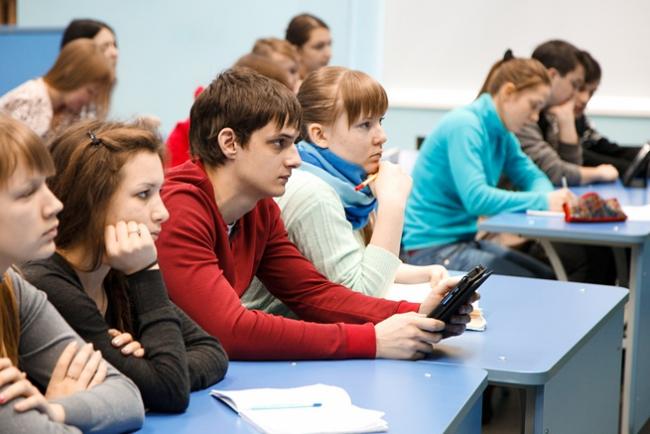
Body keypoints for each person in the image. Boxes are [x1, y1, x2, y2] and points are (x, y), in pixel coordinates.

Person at [156, 68, 473, 361]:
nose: (294, 159)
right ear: (230, 143)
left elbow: (313, 293)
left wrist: (416, 312)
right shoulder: (179, 209)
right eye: (279, 144)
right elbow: (229, 330)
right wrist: (372, 340)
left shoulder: (259, 207)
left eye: (293, 143)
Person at [22, 120, 228, 413]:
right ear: (93, 200)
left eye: (160, 192)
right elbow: (170, 390)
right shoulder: (48, 284)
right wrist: (146, 275)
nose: (163, 212)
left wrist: (151, 369)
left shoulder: (116, 270)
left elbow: (211, 350)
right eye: (144, 194)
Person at [243, 66, 448, 317]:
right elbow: (362, 299)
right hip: (266, 338)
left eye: (380, 121)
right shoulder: (313, 192)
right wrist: (393, 205)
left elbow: (354, 265)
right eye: (365, 125)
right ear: (319, 134)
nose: (381, 136)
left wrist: (424, 273)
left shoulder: (343, 185)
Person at [0, 115, 144, 432]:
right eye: (27, 193)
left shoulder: (11, 286)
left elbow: (129, 398)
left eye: (46, 185)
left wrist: (54, 409)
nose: (54, 205)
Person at [402, 53, 570, 278]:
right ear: (508, 92)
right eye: (533, 105)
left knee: (547, 276)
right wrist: (543, 201)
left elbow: (534, 177)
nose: (535, 117)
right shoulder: (465, 125)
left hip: (462, 241)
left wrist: (547, 198)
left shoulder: (503, 133)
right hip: (430, 250)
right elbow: (477, 199)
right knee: (536, 283)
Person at [516, 40, 618, 186]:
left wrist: (567, 121)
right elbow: (554, 173)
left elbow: (569, 171)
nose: (577, 95)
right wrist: (599, 173)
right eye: (575, 85)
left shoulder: (549, 116)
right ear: (552, 76)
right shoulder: (522, 114)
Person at [0, 39, 113, 143]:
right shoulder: (28, 99)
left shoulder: (69, 111)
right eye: (90, 91)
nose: (90, 101)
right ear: (70, 73)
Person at [574, 50, 643, 175]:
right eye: (580, 89)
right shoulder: (550, 121)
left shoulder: (579, 119)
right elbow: (581, 158)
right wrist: (634, 169)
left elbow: (609, 149)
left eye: (591, 92)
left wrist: (644, 156)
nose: (585, 99)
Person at [285, 13, 332, 78]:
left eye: (329, 44)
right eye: (319, 47)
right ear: (296, 51)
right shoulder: (280, 84)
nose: (328, 54)